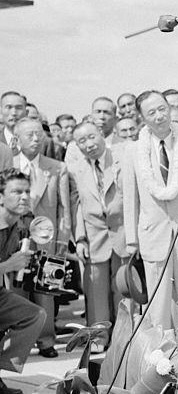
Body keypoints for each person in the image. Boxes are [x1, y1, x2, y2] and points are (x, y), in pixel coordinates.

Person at [122, 90, 178, 331]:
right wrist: (132, 240)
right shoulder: (133, 151)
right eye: (151, 112)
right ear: (142, 118)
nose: (159, 116)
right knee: (157, 306)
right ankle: (157, 357)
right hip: (153, 235)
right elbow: (131, 198)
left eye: (163, 109)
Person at [15, 117, 70, 357]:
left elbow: (64, 209)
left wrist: (62, 240)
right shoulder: (8, 166)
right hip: (15, 240)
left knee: (46, 292)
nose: (36, 139)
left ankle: (46, 341)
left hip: (48, 239)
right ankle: (19, 342)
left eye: (39, 133)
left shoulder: (57, 167)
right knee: (17, 292)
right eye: (30, 134)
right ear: (17, 140)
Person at [67, 120, 129, 328]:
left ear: (101, 134)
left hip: (122, 234)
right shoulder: (76, 170)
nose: (88, 144)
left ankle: (124, 336)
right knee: (95, 291)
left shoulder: (121, 160)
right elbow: (76, 207)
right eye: (81, 141)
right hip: (94, 237)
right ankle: (98, 336)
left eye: (91, 137)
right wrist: (80, 239)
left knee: (123, 289)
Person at [0, 169, 48, 394]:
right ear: (1, 196)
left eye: (27, 191)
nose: (24, 197)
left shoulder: (17, 225)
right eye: (16, 192)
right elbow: (7, 266)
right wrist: (8, 266)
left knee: (34, 315)